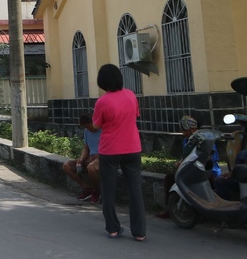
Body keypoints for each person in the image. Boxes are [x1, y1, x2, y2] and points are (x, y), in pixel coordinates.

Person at [93, 63, 146, 242]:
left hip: (110, 150)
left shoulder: (102, 102)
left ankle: (113, 229)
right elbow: (135, 115)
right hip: (132, 148)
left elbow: (96, 125)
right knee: (135, 191)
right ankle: (139, 232)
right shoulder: (131, 95)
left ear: (102, 81)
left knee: (108, 190)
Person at [156, 115, 221, 219]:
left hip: (206, 170)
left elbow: (211, 158)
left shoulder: (206, 139)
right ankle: (170, 208)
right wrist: (181, 162)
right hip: (191, 170)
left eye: (184, 130)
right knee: (169, 178)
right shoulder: (187, 141)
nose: (182, 133)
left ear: (192, 129)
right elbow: (187, 156)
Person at [62, 113, 102, 203]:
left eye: (89, 126)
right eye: (86, 127)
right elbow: (86, 147)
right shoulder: (87, 131)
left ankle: (96, 192)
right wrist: (81, 159)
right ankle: (87, 188)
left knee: (91, 168)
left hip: (102, 157)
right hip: (90, 157)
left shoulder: (103, 130)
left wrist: (99, 154)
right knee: (66, 166)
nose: (88, 129)